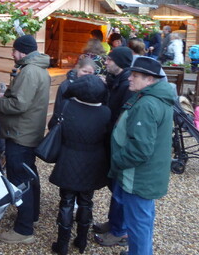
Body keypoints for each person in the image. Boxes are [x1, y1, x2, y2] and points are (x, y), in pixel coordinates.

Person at [108, 57, 175, 255]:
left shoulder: (147, 104)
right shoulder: (153, 98)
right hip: (146, 174)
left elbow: (140, 150)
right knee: (142, 220)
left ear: (150, 80)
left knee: (138, 225)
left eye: (135, 76)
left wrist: (117, 160)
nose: (130, 78)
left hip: (139, 176)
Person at [0, 34, 50, 244]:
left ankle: (24, 230)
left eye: (14, 50)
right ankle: (31, 214)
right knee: (30, 176)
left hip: (19, 135)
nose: (12, 54)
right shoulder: (39, 69)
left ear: (23, 51)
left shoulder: (29, 72)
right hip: (29, 132)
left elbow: (18, 105)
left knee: (20, 181)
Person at [49, 75, 112, 255]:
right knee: (86, 200)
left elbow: (54, 125)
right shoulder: (105, 113)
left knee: (67, 201)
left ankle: (62, 245)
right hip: (93, 161)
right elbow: (106, 137)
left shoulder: (68, 107)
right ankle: (81, 241)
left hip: (69, 158)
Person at [93, 47, 134, 248]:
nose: (106, 62)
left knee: (120, 189)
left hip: (119, 143)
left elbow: (123, 116)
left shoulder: (127, 85)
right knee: (115, 186)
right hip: (111, 139)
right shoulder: (118, 80)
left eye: (110, 60)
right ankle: (114, 223)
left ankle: (120, 231)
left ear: (120, 63)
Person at [48, 57, 97, 130]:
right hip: (67, 122)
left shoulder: (96, 87)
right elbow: (59, 105)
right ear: (78, 69)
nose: (86, 75)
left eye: (90, 73)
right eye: (84, 71)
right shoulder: (66, 85)